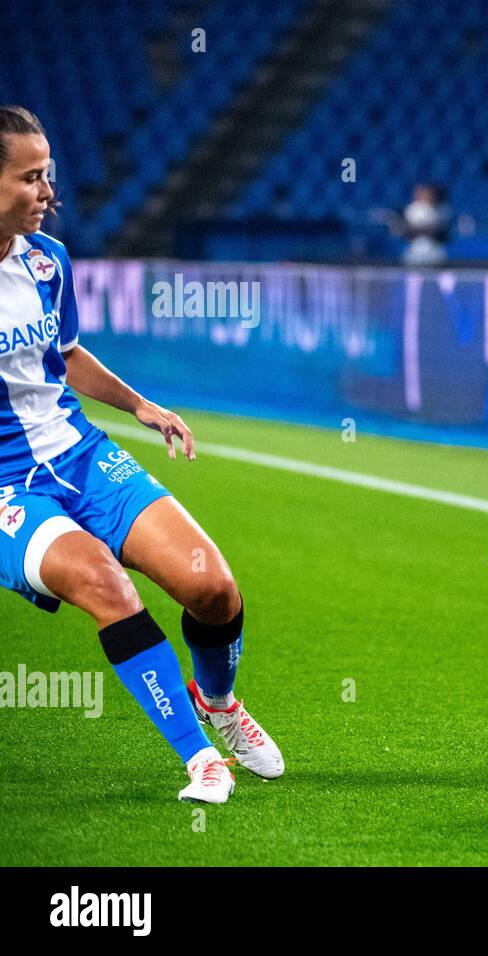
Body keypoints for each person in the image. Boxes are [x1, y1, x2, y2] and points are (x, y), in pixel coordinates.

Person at [0, 106, 283, 804]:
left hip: (82, 456)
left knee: (212, 588)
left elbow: (61, 355)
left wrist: (140, 406)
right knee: (104, 584)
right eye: (30, 177)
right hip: (8, 488)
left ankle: (219, 703)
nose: (47, 193)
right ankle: (199, 758)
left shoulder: (45, 259)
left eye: (48, 175)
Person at [401, 183, 450, 266]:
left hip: (434, 251)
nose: (424, 196)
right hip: (414, 252)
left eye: (427, 193)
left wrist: (419, 229)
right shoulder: (411, 209)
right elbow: (406, 231)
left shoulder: (441, 210)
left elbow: (439, 231)